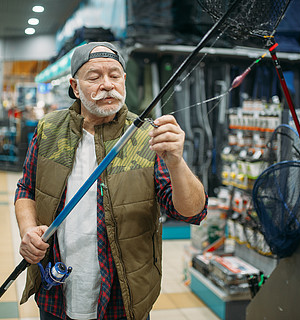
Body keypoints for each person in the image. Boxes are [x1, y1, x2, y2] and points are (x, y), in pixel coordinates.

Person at [15, 42, 208, 320]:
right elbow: (26, 189)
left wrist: (176, 162)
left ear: (124, 80)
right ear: (75, 86)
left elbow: (191, 212)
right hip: (55, 292)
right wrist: (28, 230)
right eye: (94, 77)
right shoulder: (48, 130)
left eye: (115, 75)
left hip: (123, 297)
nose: (107, 84)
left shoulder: (146, 138)